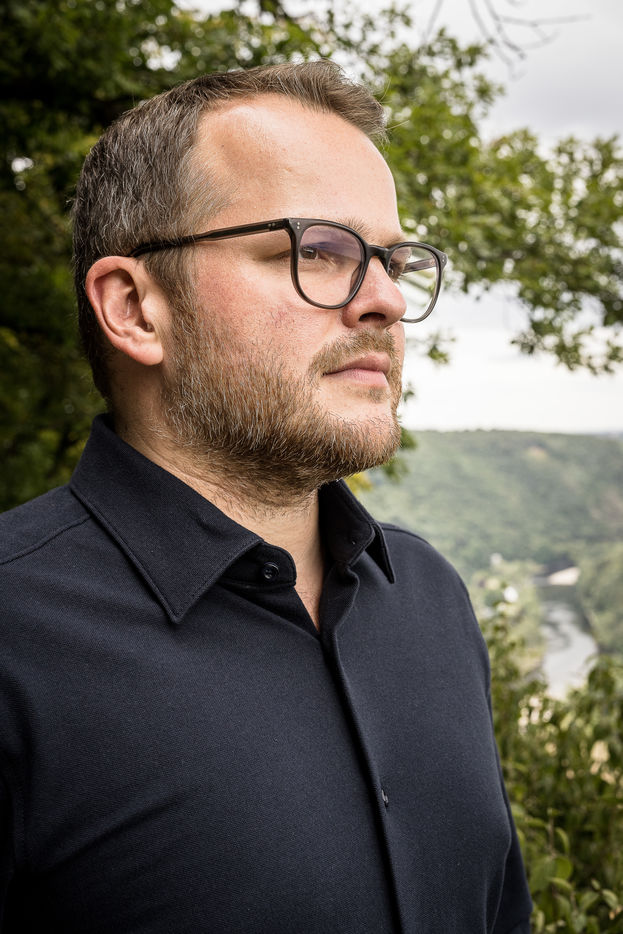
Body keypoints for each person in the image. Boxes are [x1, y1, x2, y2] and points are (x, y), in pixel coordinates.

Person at [0, 61, 532, 933]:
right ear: (134, 307)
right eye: (317, 250)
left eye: (393, 261)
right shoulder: (16, 637)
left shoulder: (429, 597)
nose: (387, 301)